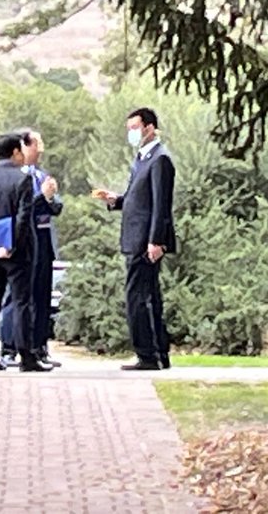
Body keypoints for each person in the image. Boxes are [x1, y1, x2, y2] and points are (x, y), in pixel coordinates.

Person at [95, 107, 177, 371]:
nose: (130, 133)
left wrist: (156, 240)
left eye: (134, 128)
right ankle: (158, 353)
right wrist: (116, 200)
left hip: (143, 241)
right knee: (149, 295)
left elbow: (160, 204)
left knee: (138, 297)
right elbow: (138, 199)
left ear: (149, 128)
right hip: (135, 236)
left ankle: (147, 354)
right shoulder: (142, 159)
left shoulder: (160, 159)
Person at [0, 133, 50, 372]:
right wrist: (11, 245)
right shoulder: (22, 179)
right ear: (16, 152)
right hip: (17, 252)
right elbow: (23, 217)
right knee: (21, 302)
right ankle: (26, 356)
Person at [22, 128, 63, 368]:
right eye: (37, 145)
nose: (41, 150)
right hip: (30, 239)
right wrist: (42, 198)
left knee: (43, 296)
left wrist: (50, 197)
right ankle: (23, 347)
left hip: (45, 239)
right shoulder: (21, 176)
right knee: (28, 297)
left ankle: (41, 346)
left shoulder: (42, 174)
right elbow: (26, 209)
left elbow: (55, 207)